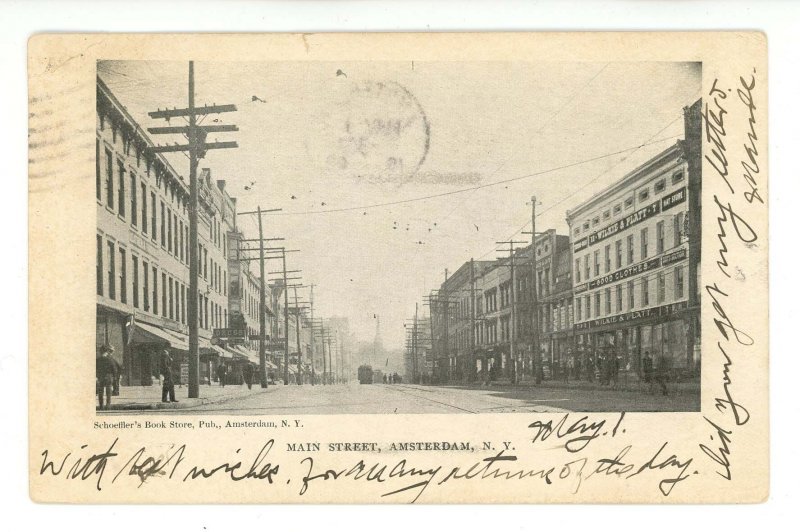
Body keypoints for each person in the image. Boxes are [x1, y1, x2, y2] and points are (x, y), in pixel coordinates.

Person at [96, 345, 117, 410]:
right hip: (109, 377)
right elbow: (114, 369)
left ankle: (101, 406)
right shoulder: (110, 359)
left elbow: (95, 369)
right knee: (108, 392)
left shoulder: (97, 360)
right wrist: (114, 376)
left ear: (100, 352)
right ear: (106, 351)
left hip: (101, 377)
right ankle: (108, 405)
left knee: (100, 392)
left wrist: (97, 376)